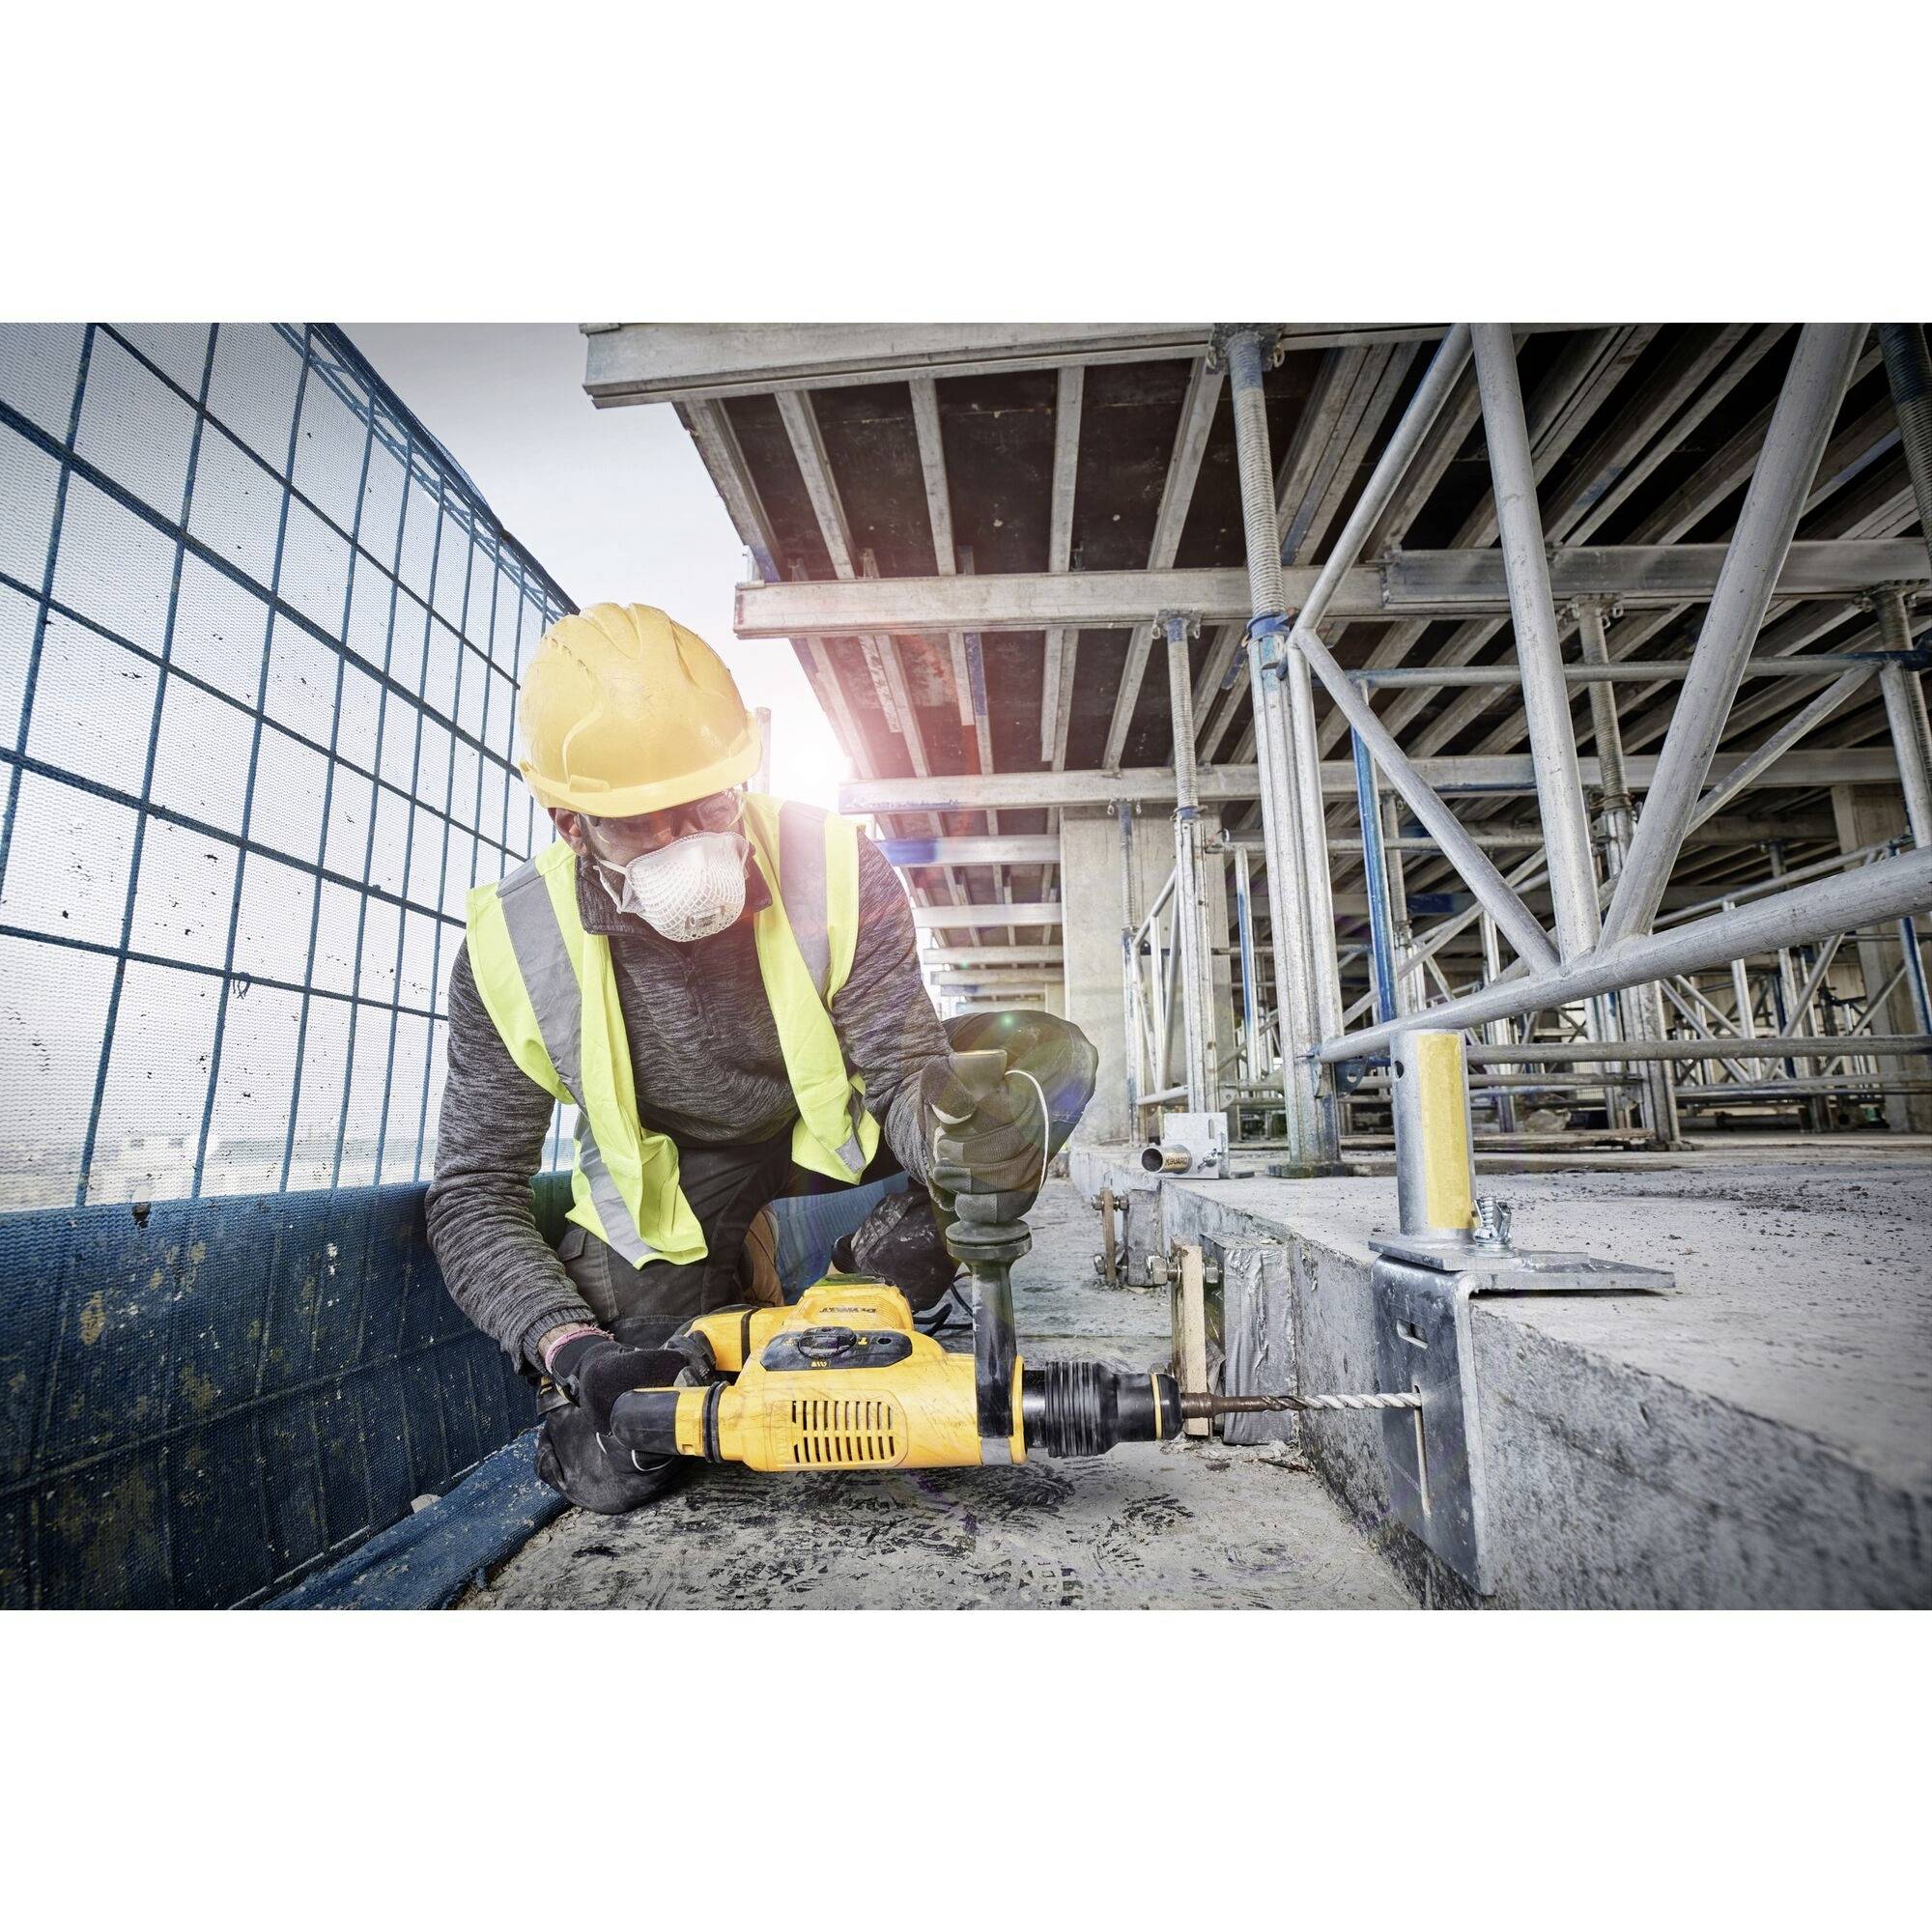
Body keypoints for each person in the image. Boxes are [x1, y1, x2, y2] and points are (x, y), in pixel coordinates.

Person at [425, 603, 1095, 1513]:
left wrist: (958, 1147)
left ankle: (882, 1276)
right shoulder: (513, 946)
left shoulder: (834, 863)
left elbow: (902, 1075)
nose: (685, 847)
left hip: (835, 1135)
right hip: (678, 1185)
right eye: (638, 825)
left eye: (703, 805)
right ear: (569, 824)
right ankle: (756, 1283)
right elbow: (473, 1191)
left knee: (1039, 1068)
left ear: (739, 770)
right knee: (631, 1454)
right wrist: (571, 1348)